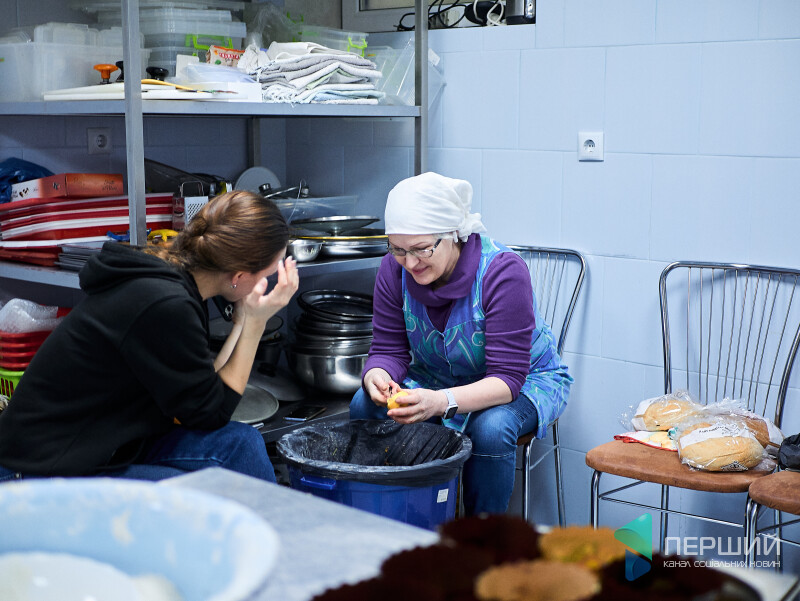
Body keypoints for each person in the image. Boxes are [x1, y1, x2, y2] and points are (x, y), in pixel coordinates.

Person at [0, 190, 299, 483]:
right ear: (239, 277)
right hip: (43, 467)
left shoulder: (174, 281)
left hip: (113, 446)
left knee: (241, 443)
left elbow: (203, 395)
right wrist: (256, 324)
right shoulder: (165, 303)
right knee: (199, 495)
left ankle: (274, 518)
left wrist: (243, 323)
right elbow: (212, 414)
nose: (267, 282)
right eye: (266, 275)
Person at [349, 172, 572, 515]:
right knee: (364, 404)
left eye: (422, 249)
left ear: (452, 233)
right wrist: (376, 375)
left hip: (523, 381)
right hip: (435, 379)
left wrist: (440, 403)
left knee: (491, 428)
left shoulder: (502, 273)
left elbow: (507, 379)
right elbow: (388, 349)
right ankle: (403, 517)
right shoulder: (394, 271)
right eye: (398, 249)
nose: (410, 262)